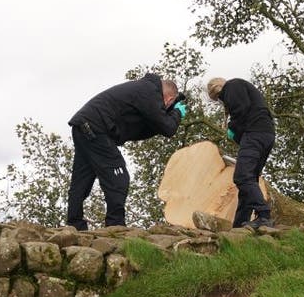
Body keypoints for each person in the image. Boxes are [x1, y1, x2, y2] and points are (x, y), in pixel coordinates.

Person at [65, 73, 186, 230]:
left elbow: (150, 128)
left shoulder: (143, 90)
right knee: (119, 178)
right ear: (169, 99)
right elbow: (168, 127)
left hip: (84, 126)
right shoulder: (149, 91)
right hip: (95, 128)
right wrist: (176, 113)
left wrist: (169, 116)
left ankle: (74, 225)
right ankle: (115, 226)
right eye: (167, 106)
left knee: (82, 179)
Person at [207, 77, 275, 228]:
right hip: (264, 134)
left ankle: (264, 215)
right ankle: (239, 224)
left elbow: (240, 110)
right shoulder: (239, 88)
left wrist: (231, 127)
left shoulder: (232, 86)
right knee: (249, 178)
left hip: (255, 133)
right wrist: (237, 134)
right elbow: (244, 117)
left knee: (242, 176)